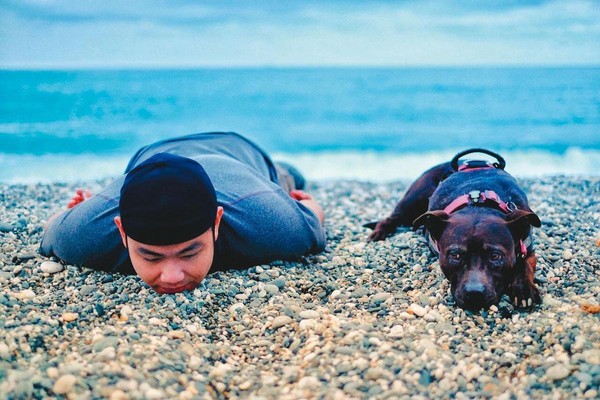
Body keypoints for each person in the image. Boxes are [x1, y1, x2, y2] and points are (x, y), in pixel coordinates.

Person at [40, 132, 326, 294]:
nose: (173, 277)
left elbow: (313, 218)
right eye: (150, 256)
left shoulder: (269, 221)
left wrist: (303, 203)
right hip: (151, 156)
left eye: (189, 253)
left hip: (238, 154)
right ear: (122, 232)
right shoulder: (85, 233)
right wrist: (79, 215)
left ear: (217, 222)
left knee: (290, 178)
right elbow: (54, 225)